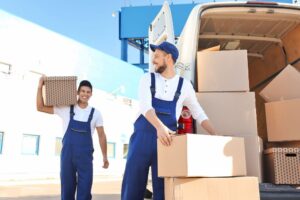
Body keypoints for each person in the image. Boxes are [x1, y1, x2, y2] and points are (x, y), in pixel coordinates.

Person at [121, 41, 216, 200]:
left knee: (164, 190)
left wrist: (216, 135)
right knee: (132, 186)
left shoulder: (184, 86)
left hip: (167, 144)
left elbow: (198, 113)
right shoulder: (147, 79)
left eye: (157, 56)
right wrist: (159, 127)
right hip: (141, 141)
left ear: (169, 57)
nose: (153, 60)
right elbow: (145, 107)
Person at [36, 77, 109, 200]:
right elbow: (40, 107)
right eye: (83, 91)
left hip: (85, 159)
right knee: (67, 192)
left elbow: (101, 135)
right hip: (68, 157)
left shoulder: (96, 113)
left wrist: (105, 157)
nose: (85, 94)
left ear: (91, 94)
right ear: (77, 92)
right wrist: (39, 87)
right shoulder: (66, 108)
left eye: (88, 92)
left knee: (85, 193)